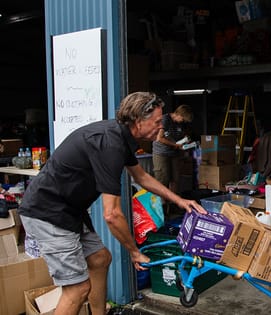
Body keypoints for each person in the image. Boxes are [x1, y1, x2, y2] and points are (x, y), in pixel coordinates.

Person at [17, 92, 206, 315]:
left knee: (100, 258)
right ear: (138, 120)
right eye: (156, 122)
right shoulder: (111, 144)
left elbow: (142, 178)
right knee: (77, 289)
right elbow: (112, 215)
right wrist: (134, 252)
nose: (160, 127)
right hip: (47, 212)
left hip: (69, 210)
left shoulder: (122, 139)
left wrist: (179, 200)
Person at [152, 104, 194, 203]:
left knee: (175, 179)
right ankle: (162, 207)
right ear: (178, 114)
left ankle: (174, 205)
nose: (183, 121)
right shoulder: (165, 120)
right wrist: (175, 145)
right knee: (163, 180)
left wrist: (186, 141)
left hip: (174, 153)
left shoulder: (179, 123)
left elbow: (180, 135)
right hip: (162, 153)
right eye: (183, 119)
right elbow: (160, 138)